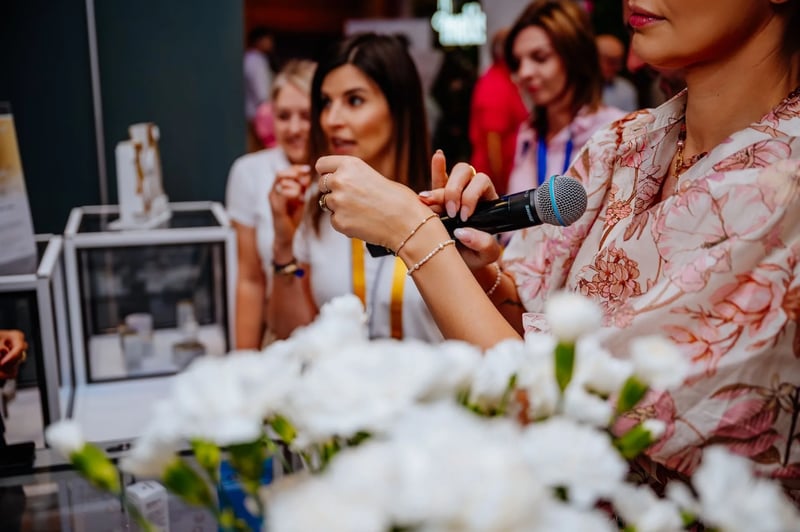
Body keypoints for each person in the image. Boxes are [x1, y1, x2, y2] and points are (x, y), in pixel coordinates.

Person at [314, 0, 800, 495]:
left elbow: (557, 407)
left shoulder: (788, 186)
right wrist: (480, 271)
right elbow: (530, 330)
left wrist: (414, 234)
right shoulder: (622, 143)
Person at [267, 33, 442, 343]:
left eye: (354, 101)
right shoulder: (319, 205)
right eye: (326, 103)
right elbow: (296, 335)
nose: (331, 120)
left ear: (399, 107)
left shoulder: (443, 204)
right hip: (337, 374)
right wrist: (284, 247)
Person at [225, 59, 317, 349]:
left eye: (306, 116)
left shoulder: (344, 176)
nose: (294, 128)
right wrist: (244, 361)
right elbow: (250, 279)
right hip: (280, 336)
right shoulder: (249, 173)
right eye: (284, 116)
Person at [505, 1, 626, 195]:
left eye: (540, 57)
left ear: (574, 57)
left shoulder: (616, 132)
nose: (524, 72)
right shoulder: (529, 134)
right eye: (517, 62)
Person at [468, 28, 529, 196]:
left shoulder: (503, 79)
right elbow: (493, 144)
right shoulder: (496, 85)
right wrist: (501, 188)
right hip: (494, 183)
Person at [243, 26, 275, 153]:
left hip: (250, 113)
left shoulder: (248, 58)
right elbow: (262, 92)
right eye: (268, 39)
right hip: (259, 114)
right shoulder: (257, 60)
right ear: (260, 40)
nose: (271, 43)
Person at [596, 33, 638, 112]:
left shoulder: (626, 90)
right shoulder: (576, 88)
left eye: (619, 62)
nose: (618, 68)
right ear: (595, 60)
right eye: (612, 62)